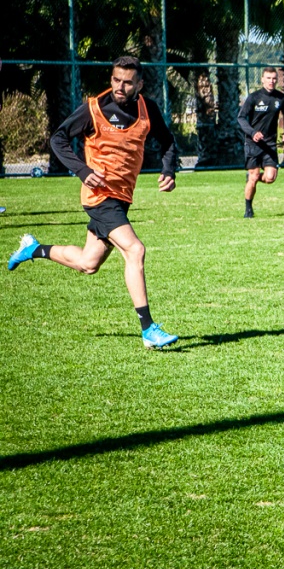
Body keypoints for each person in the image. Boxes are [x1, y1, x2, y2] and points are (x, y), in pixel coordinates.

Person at [7, 56, 180, 349]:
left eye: (127, 82)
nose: (120, 87)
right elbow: (58, 139)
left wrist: (169, 169)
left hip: (121, 198)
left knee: (89, 263)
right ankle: (149, 329)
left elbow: (167, 142)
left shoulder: (147, 108)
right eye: (116, 80)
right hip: (100, 198)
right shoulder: (94, 108)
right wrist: (83, 171)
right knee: (135, 250)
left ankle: (34, 249)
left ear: (140, 84)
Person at [238, 67, 284, 218]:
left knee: (270, 178)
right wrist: (253, 133)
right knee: (254, 176)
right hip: (253, 144)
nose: (271, 81)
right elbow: (241, 118)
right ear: (262, 79)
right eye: (268, 78)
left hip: (270, 144)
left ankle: (252, 178)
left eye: (274, 78)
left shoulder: (280, 98)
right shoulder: (254, 97)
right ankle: (248, 209)